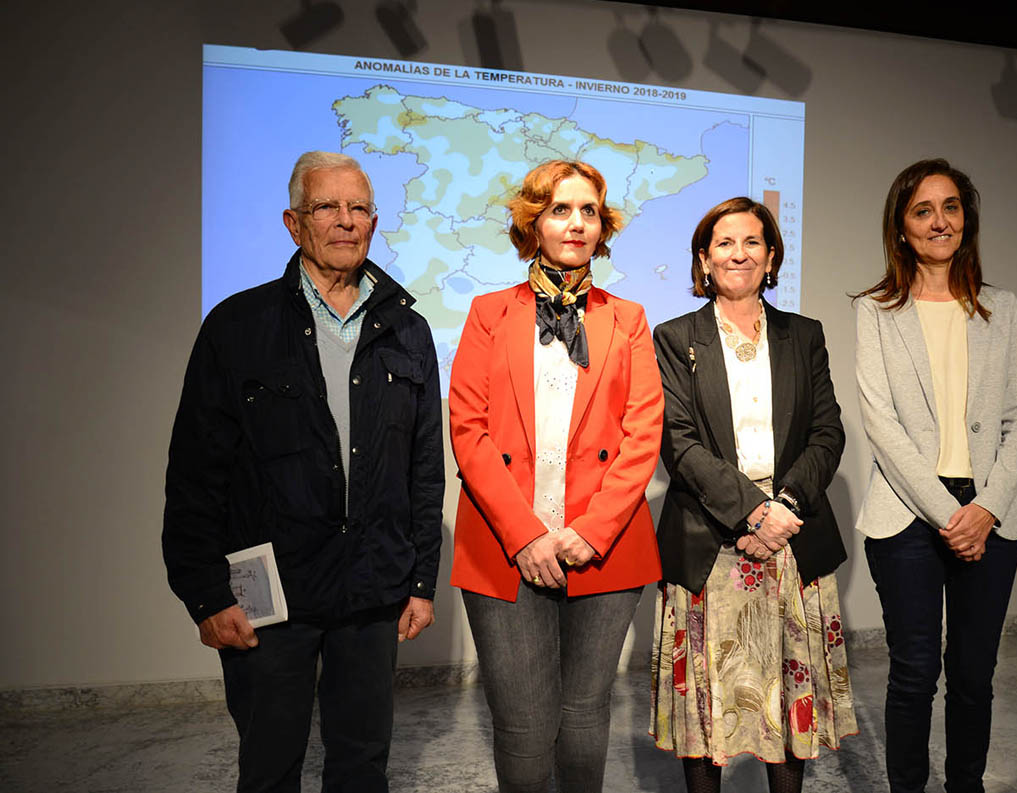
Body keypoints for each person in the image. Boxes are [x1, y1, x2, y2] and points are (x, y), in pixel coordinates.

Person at [162, 151, 444, 793]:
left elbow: (424, 469)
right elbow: (195, 471)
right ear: (295, 224)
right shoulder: (238, 326)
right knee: (269, 769)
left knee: (361, 768)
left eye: (359, 208)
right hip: (269, 596)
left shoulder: (408, 329)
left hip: (373, 591)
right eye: (327, 207)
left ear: (374, 221)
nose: (345, 222)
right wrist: (205, 594)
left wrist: (421, 580)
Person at [448, 159, 664, 793]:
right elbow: (469, 431)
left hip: (604, 545)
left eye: (589, 211)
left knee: (584, 715)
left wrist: (589, 532)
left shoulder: (628, 319)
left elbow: (641, 435)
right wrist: (526, 535)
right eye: (560, 210)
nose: (576, 223)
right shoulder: (488, 313)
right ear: (533, 222)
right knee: (521, 723)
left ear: (604, 226)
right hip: (503, 544)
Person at [650, 197, 857, 793]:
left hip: (792, 534)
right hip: (711, 537)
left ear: (771, 257)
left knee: (788, 698)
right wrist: (751, 510)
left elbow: (827, 430)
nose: (738, 253)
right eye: (724, 243)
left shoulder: (804, 335)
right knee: (705, 710)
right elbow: (678, 440)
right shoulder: (674, 337)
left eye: (752, 243)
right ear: (703, 258)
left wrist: (786, 506)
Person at [854, 158, 1017, 793]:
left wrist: (984, 508)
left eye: (952, 207)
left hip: (992, 513)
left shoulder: (1003, 308)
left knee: (972, 675)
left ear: (967, 219)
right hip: (907, 515)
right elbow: (882, 425)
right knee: (912, 673)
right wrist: (948, 514)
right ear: (902, 228)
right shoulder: (876, 311)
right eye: (924, 210)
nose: (941, 221)